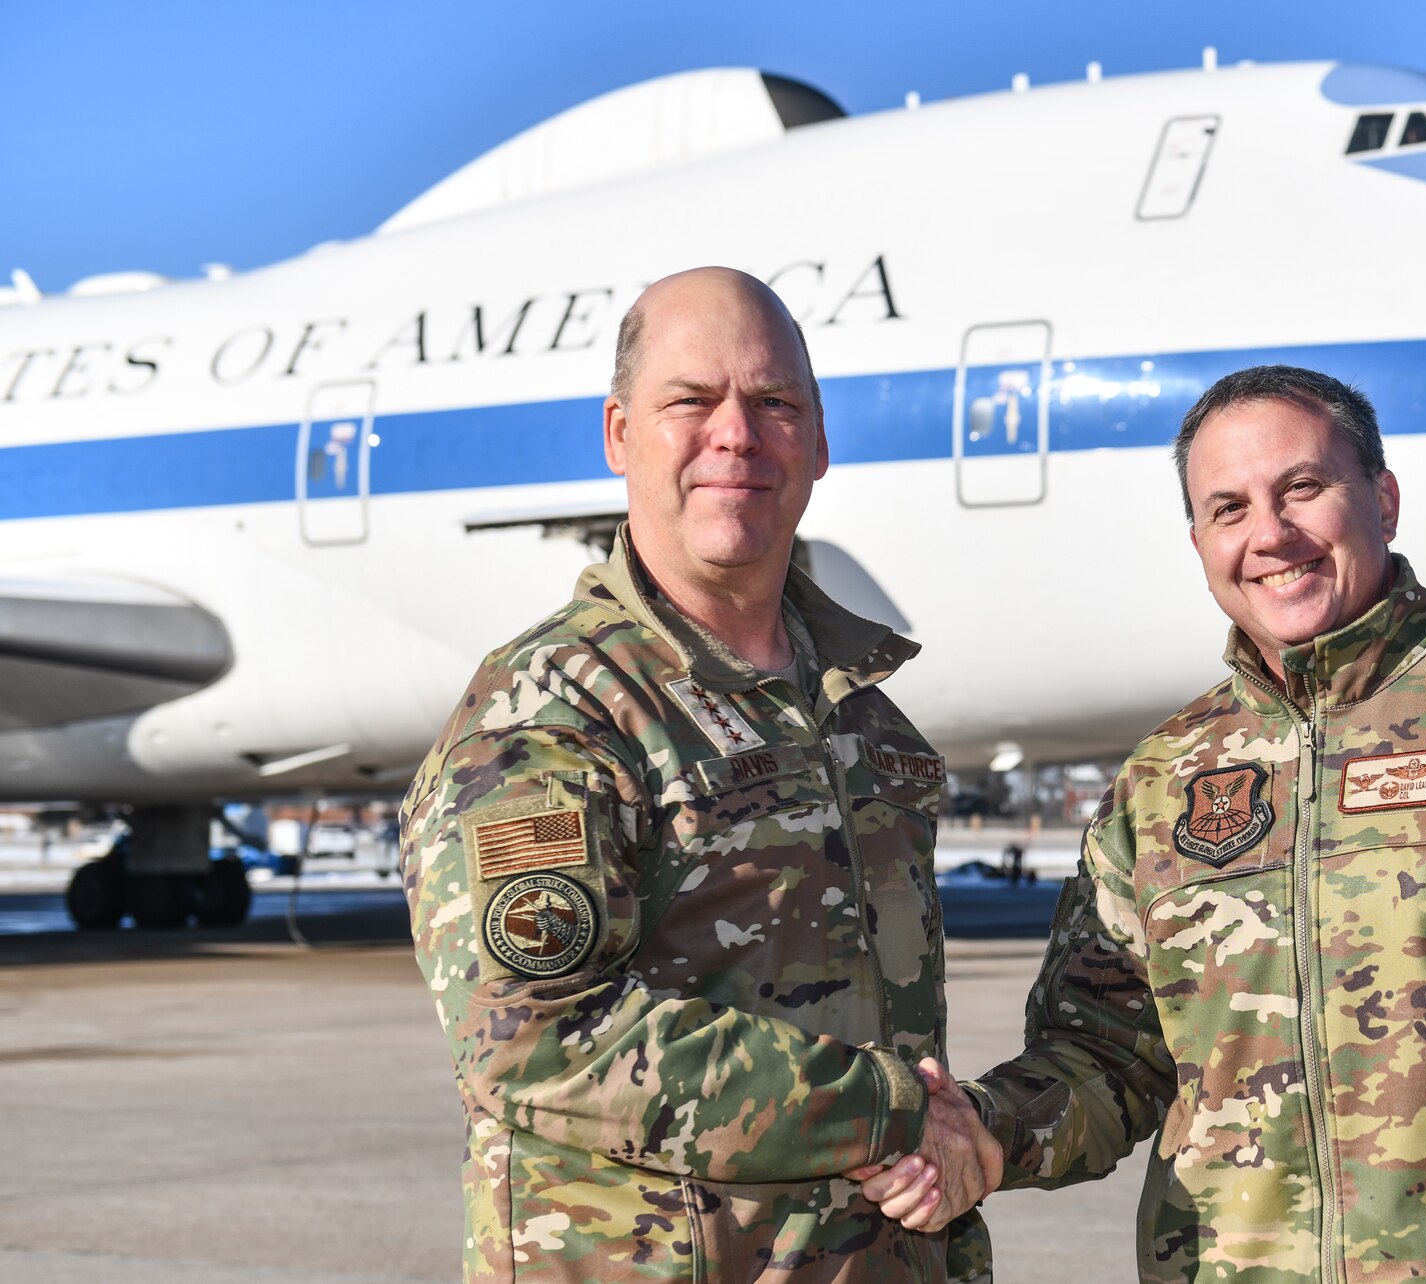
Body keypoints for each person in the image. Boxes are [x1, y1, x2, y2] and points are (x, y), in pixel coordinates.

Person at [868, 365, 1426, 1282]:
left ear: (1383, 500)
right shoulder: (1163, 779)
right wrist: (987, 1128)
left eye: (1302, 487)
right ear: (1200, 542)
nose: (1270, 533)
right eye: (1229, 508)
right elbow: (1107, 1056)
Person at [401, 267, 997, 1283]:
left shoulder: (857, 712)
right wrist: (892, 1108)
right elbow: (534, 1040)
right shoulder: (551, 712)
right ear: (619, 435)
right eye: (691, 401)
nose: (736, 435)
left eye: (774, 404)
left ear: (818, 442)